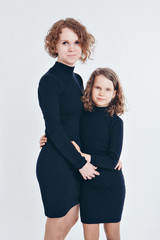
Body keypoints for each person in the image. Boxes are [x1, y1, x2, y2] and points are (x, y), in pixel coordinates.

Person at [40, 67, 126, 240]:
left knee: (113, 235)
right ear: (90, 88)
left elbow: (112, 159)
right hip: (87, 186)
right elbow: (64, 129)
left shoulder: (116, 122)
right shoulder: (82, 115)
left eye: (108, 89)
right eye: (98, 88)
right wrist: (47, 137)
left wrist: (86, 157)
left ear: (115, 93)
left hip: (111, 186)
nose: (102, 93)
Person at [36, 18, 100, 240]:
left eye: (76, 42)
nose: (72, 48)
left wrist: (108, 153)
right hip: (56, 161)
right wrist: (81, 163)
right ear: (54, 46)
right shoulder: (49, 81)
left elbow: (79, 122)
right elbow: (54, 127)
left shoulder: (77, 79)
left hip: (72, 156)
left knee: (72, 216)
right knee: (59, 218)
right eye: (65, 43)